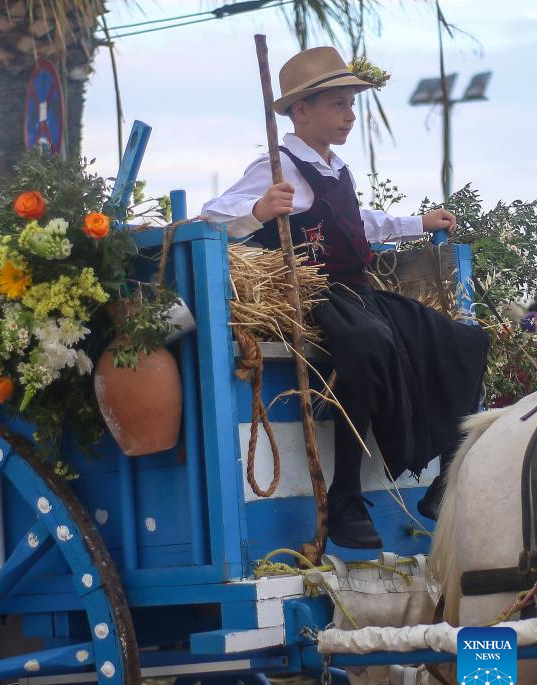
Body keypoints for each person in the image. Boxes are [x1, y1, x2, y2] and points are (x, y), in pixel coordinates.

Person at [201, 46, 490, 549]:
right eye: (338, 105)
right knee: (366, 344)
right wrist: (259, 208)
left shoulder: (338, 168)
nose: (349, 117)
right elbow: (211, 217)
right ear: (301, 110)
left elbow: (361, 223)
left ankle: (444, 478)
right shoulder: (278, 166)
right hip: (313, 294)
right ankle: (345, 496)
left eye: (351, 106)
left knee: (462, 341)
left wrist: (417, 224)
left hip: (357, 294)